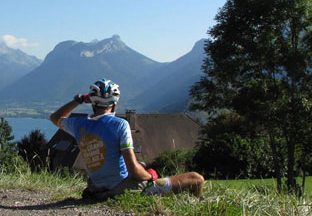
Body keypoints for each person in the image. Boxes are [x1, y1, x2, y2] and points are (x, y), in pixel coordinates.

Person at [50, 78, 205, 200]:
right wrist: (151, 175)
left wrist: (79, 100)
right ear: (115, 104)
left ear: (92, 103)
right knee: (195, 178)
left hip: (96, 188)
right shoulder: (120, 125)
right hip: (124, 188)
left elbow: (55, 117)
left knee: (142, 165)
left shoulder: (79, 125)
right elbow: (134, 171)